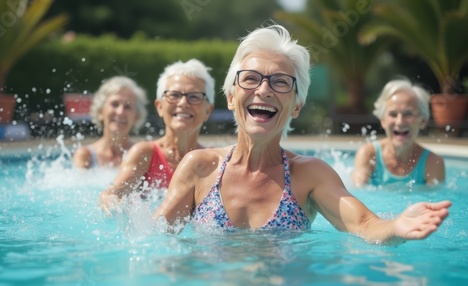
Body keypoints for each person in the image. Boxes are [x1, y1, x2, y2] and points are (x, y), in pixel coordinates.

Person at [153, 24, 451, 244]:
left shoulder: (310, 176)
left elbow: (365, 224)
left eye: (281, 82)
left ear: (296, 106)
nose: (264, 89)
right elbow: (154, 243)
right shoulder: (199, 168)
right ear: (231, 97)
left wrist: (396, 227)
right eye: (251, 79)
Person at [99, 59, 215, 214]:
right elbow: (112, 192)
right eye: (174, 95)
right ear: (159, 107)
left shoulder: (214, 162)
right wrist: (112, 204)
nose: (183, 103)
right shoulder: (145, 154)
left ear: (208, 110)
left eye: (194, 96)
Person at [352, 79, 445, 186]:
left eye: (408, 114)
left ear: (422, 121)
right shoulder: (368, 154)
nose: (400, 122)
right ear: (383, 120)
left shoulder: (433, 162)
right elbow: (357, 194)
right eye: (393, 114)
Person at [73, 76, 148, 168]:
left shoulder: (142, 155)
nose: (120, 112)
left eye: (127, 107)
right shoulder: (85, 155)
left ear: (136, 116)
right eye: (114, 104)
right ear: (100, 111)